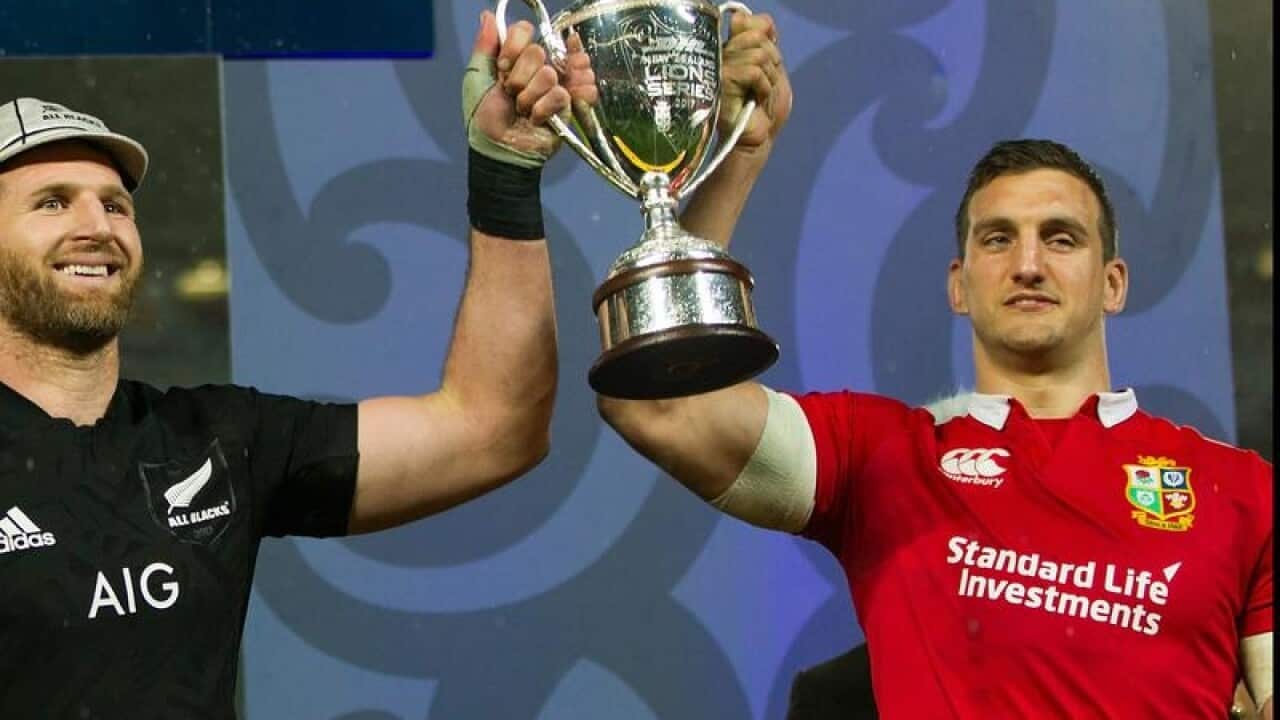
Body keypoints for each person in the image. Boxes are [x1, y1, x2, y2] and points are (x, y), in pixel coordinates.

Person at [595, 18, 1273, 717]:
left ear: (1114, 283)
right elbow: (657, 402)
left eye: (1061, 238)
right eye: (998, 239)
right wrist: (740, 155)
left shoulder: (1242, 491)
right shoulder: (881, 458)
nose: (1029, 264)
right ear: (958, 284)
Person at [0, 12, 584, 718]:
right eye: (53, 202)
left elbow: (495, 428)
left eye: (117, 205)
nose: (99, 226)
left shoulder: (214, 440)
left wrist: (506, 172)